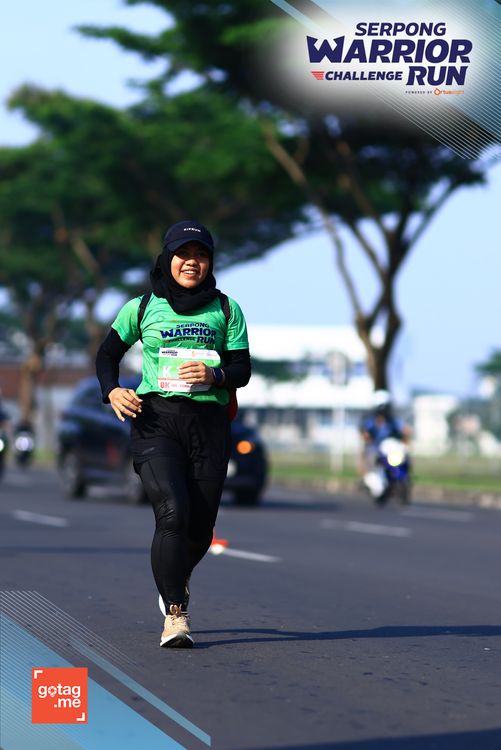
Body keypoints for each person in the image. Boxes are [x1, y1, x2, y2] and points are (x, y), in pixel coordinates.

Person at [96, 220, 251, 648]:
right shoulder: (142, 307)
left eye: (201, 255)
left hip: (209, 425)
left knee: (200, 529)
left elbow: (242, 369)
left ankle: (173, 578)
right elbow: (107, 355)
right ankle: (176, 614)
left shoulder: (226, 309)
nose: (192, 262)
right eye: (184, 254)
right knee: (173, 512)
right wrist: (112, 390)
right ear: (167, 259)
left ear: (211, 262)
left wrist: (216, 374)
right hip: (156, 422)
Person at [358, 390, 411, 476]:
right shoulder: (371, 422)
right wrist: (368, 441)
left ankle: (404, 476)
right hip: (377, 450)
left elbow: (406, 430)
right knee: (369, 459)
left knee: (404, 458)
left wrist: (405, 444)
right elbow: (365, 435)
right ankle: (366, 475)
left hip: (390, 451)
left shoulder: (393, 421)